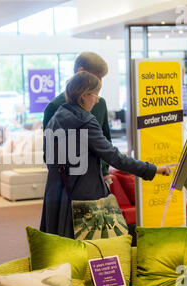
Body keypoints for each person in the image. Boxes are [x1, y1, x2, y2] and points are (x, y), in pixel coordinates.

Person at [40, 72, 171, 238]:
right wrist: (153, 169)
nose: (96, 100)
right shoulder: (85, 122)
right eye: (95, 95)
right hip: (85, 197)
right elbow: (115, 157)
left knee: (60, 248)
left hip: (56, 194)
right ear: (84, 96)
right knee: (95, 250)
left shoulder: (56, 117)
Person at [43, 52, 112, 180]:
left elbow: (106, 141)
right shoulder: (54, 107)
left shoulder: (100, 104)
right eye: (98, 76)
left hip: (98, 181)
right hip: (69, 183)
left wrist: (104, 172)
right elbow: (49, 153)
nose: (100, 82)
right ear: (80, 72)